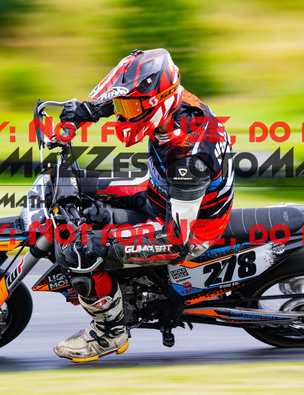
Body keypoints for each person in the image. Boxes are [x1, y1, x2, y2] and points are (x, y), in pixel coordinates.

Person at [53, 49, 234, 362]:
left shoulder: (189, 155)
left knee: (80, 250)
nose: (123, 116)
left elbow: (176, 237)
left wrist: (97, 241)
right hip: (161, 193)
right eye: (122, 107)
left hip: (187, 231)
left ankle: (110, 333)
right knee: (73, 183)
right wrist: (86, 111)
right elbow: (131, 99)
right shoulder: (173, 103)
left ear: (157, 101)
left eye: (129, 109)